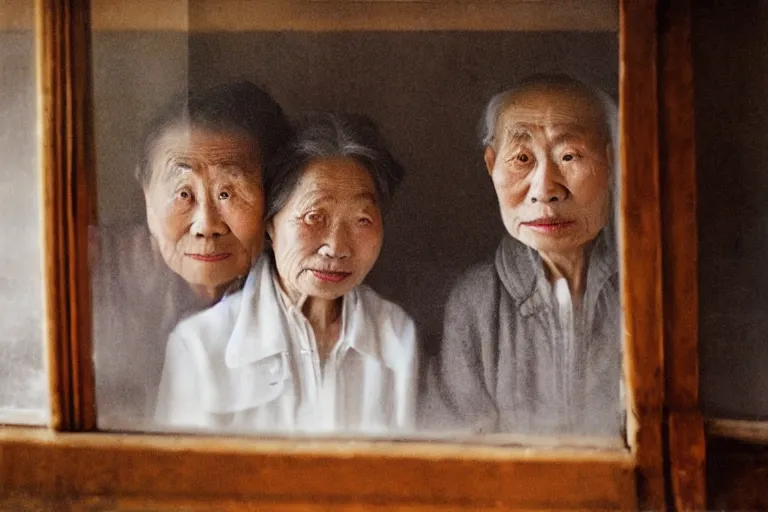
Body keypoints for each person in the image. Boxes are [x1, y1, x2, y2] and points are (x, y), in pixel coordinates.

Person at [155, 112, 417, 434]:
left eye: (362, 220)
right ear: (270, 224)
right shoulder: (199, 348)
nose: (336, 247)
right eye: (313, 216)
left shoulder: (396, 337)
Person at [426, 74, 622, 437]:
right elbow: (459, 450)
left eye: (569, 155)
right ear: (491, 164)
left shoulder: (645, 287)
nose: (544, 189)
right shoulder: (476, 302)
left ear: (610, 162)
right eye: (521, 158)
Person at [92, 82, 292, 428]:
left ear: (276, 198)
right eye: (183, 193)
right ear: (146, 192)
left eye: (229, 193)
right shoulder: (95, 277)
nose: (207, 225)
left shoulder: (304, 292)